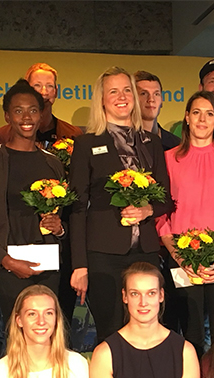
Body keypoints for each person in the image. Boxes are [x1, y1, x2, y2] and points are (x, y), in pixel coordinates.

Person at [68, 67, 175, 345]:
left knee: (148, 330)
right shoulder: (86, 144)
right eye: (113, 91)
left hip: (146, 252)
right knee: (111, 330)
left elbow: (165, 199)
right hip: (104, 254)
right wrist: (79, 265)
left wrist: (147, 210)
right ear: (101, 99)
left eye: (127, 90)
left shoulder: (151, 142)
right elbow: (77, 208)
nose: (122, 96)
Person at [0, 80, 67, 322]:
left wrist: (60, 228)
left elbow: (64, 218)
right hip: (8, 266)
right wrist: (6, 261)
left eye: (33, 110)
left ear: (42, 114)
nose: (27, 117)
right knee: (18, 333)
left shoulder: (52, 163)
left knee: (46, 331)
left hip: (47, 265)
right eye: (18, 110)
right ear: (7, 116)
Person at [157, 91, 214, 355]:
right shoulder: (169, 159)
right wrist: (178, 256)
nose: (202, 119)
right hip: (181, 250)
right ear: (187, 118)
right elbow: (161, 215)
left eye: (209, 113)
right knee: (189, 330)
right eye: (196, 112)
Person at [0, 63, 83, 148]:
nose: (44, 92)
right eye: (37, 85)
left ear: (56, 91)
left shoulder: (72, 134)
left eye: (49, 86)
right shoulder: (4, 135)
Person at [134, 70, 180, 151]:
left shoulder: (177, 145)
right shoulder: (123, 143)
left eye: (156, 94)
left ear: (162, 100)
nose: (151, 99)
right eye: (143, 93)